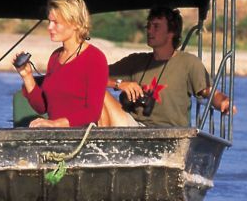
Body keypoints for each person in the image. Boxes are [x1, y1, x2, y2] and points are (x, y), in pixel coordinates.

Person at [98, 7, 236, 127]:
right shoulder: (136, 61)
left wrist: (224, 102)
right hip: (132, 128)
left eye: (156, 26)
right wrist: (119, 84)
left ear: (171, 33)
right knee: (98, 92)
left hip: (170, 134)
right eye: (148, 26)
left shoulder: (188, 63)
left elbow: (211, 93)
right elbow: (93, 76)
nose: (149, 31)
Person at [14, 0, 108, 128]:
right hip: (55, 134)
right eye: (49, 21)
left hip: (80, 137)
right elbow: (42, 107)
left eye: (56, 22)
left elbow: (92, 113)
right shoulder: (55, 57)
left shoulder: (95, 58)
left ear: (75, 24)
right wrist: (27, 76)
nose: (49, 27)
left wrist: (55, 124)